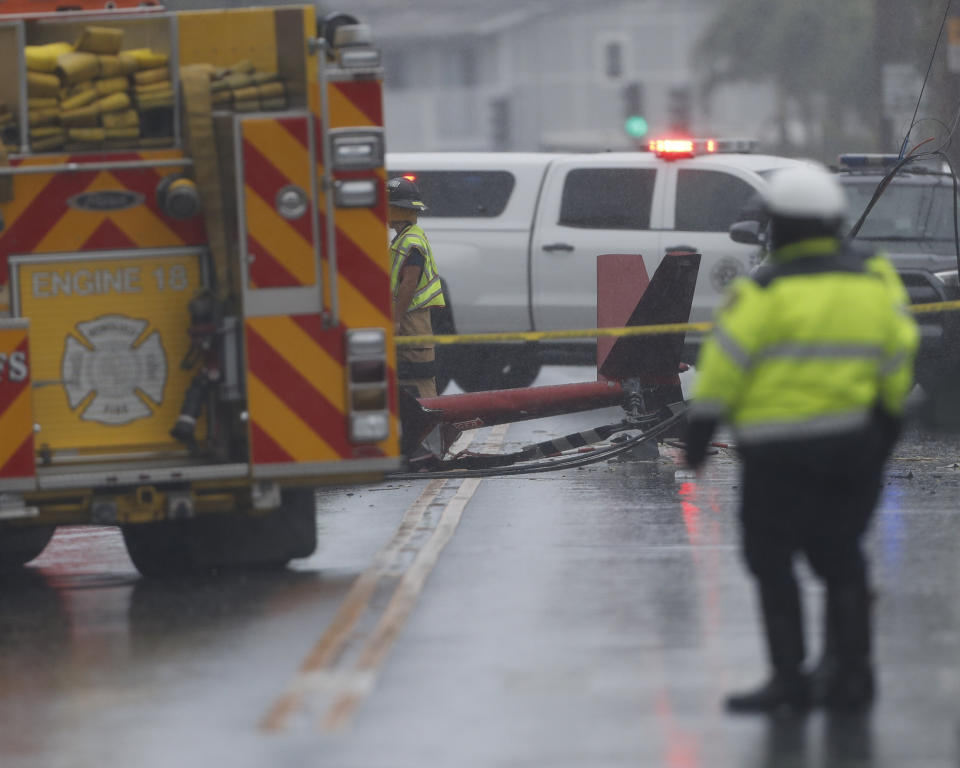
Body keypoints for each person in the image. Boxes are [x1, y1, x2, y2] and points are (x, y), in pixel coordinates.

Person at [684, 163, 918, 715]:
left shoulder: (764, 291)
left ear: (778, 228)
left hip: (777, 456)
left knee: (772, 561)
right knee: (841, 558)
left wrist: (699, 435)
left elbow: (723, 369)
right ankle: (853, 679)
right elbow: (897, 352)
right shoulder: (875, 279)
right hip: (853, 447)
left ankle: (788, 682)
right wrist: (885, 423)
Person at [387, 176, 445, 399]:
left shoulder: (411, 241)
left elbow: (410, 282)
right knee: (404, 379)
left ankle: (431, 430)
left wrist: (396, 318)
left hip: (411, 319)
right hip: (409, 317)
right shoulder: (405, 238)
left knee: (419, 381)